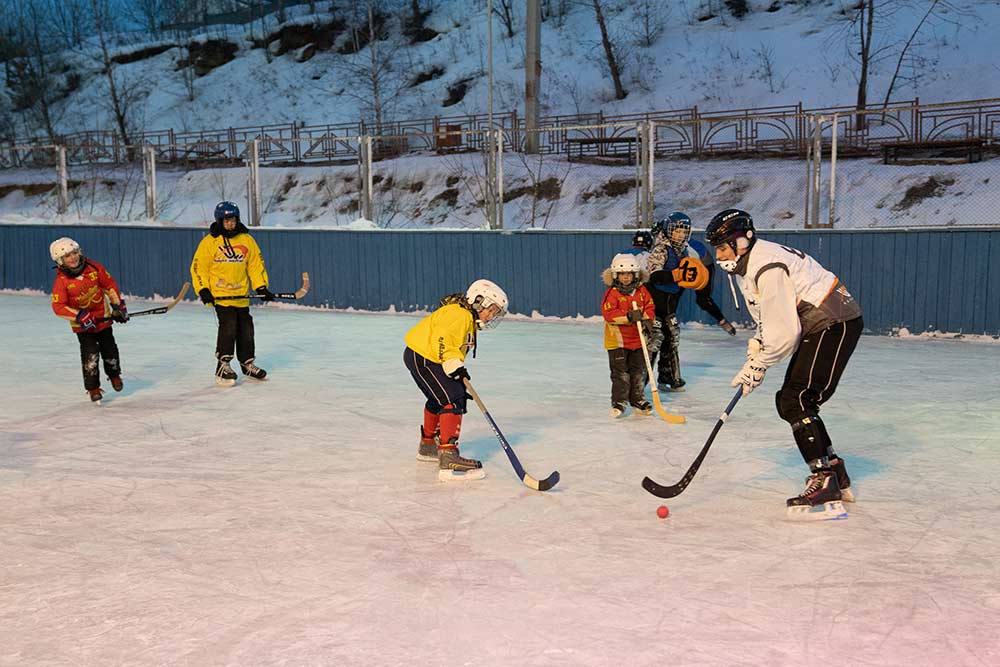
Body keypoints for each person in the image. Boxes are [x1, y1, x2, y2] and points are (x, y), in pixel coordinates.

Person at [705, 208, 863, 520]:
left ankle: (825, 480)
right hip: (822, 322)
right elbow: (769, 316)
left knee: (796, 399)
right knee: (792, 399)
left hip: (833, 321)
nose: (719, 255)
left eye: (723, 247)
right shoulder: (749, 264)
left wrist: (759, 364)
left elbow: (785, 335)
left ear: (741, 241)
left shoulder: (766, 266)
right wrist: (758, 345)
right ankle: (833, 471)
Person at [404, 279, 509, 481]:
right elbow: (443, 339)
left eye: (495, 313)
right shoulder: (459, 314)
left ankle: (428, 446)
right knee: (452, 399)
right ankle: (448, 455)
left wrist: (456, 369)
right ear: (478, 301)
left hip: (426, 357)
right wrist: (454, 365)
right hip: (425, 357)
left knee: (442, 397)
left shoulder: (467, 318)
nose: (491, 316)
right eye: (491, 310)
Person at [647, 211, 737, 392]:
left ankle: (668, 377)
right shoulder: (661, 249)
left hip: (671, 303)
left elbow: (693, 273)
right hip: (654, 304)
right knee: (654, 340)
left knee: (672, 338)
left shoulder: (685, 250)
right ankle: (638, 383)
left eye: (684, 231)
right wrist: (675, 275)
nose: (680, 235)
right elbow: (654, 276)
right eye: (677, 231)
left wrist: (697, 280)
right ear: (668, 230)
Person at [190, 201, 275, 386]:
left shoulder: (247, 240)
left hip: (241, 296)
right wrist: (203, 289)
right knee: (228, 327)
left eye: (233, 220)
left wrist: (261, 287)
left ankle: (247, 363)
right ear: (219, 221)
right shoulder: (209, 242)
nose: (230, 224)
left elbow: (255, 265)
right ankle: (223, 365)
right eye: (227, 221)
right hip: (221, 296)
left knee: (246, 330)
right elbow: (199, 268)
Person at [49, 237, 130, 404]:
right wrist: (80, 316)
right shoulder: (61, 282)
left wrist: (118, 307)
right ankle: (93, 388)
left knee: (110, 349)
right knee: (90, 354)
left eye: (74, 253)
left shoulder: (94, 268)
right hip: (83, 326)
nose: (73, 257)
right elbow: (58, 306)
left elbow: (109, 286)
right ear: (60, 261)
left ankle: (114, 375)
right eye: (67, 256)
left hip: (103, 318)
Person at [601, 253, 656, 418]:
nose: (626, 277)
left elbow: (650, 306)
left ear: (636, 274)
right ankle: (619, 402)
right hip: (617, 342)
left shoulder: (642, 291)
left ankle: (637, 399)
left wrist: (647, 319)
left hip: (638, 340)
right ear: (615, 275)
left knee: (638, 372)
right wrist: (629, 316)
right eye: (622, 274)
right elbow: (609, 314)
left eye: (629, 274)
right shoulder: (612, 293)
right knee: (621, 374)